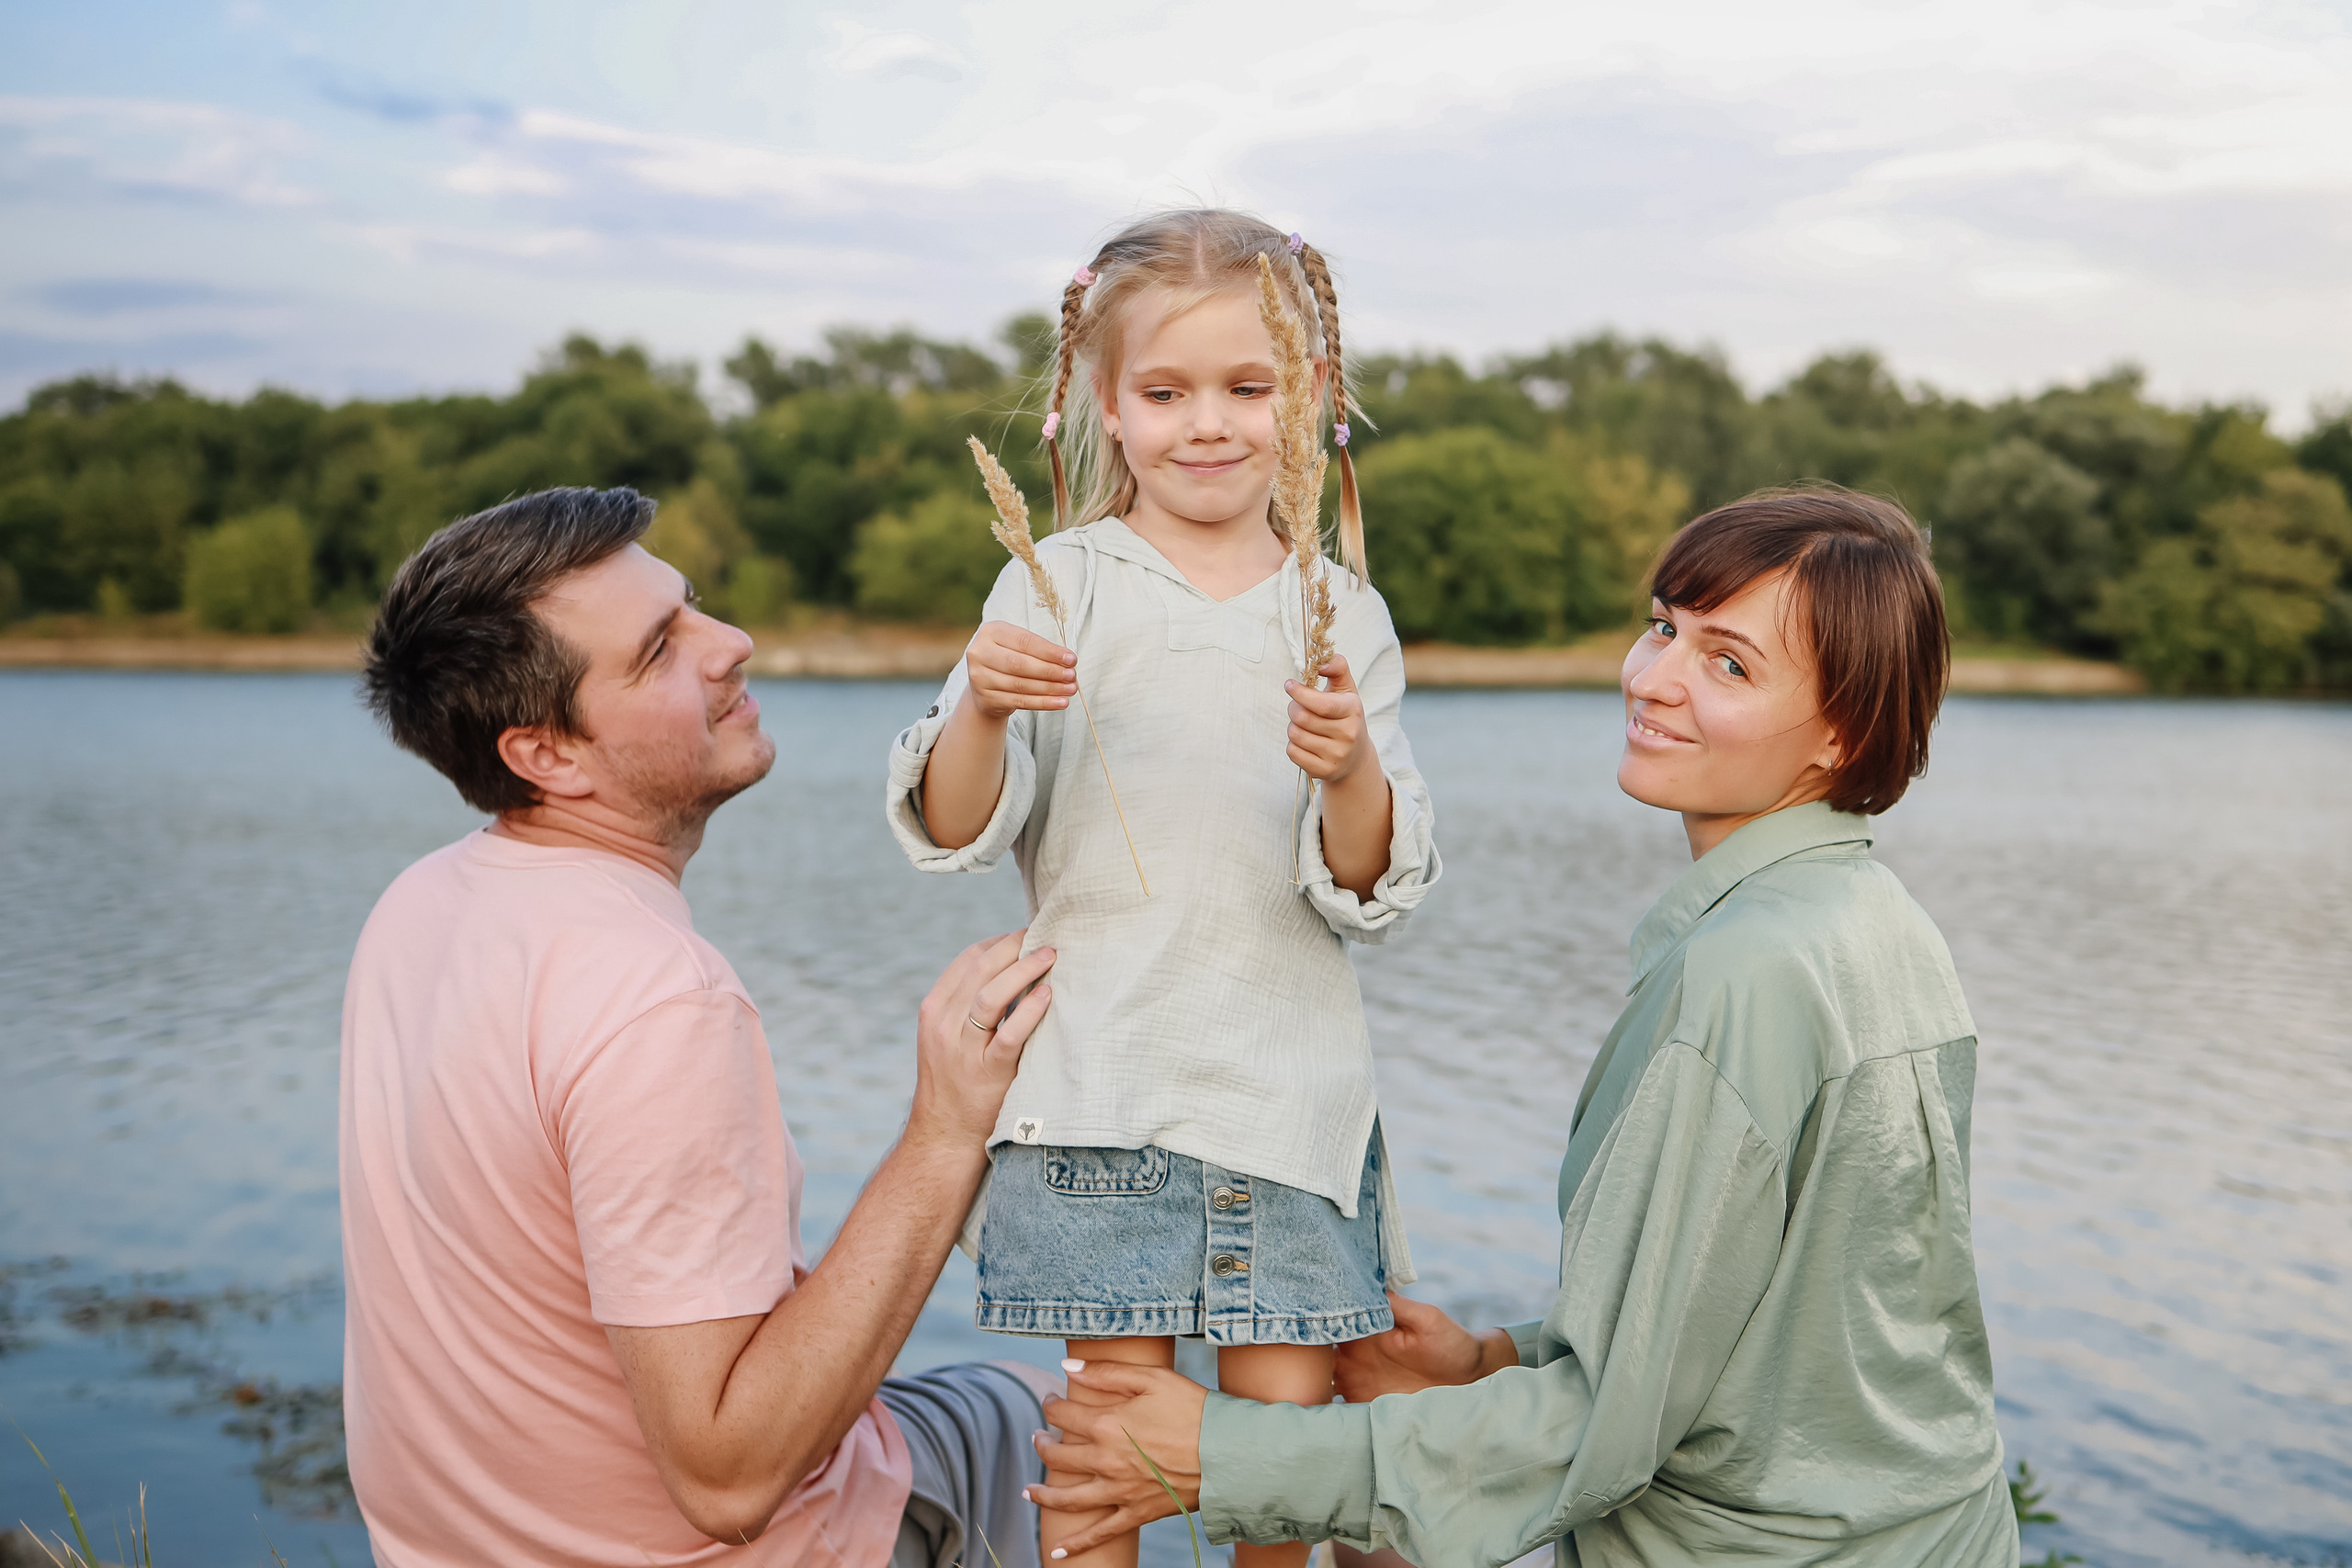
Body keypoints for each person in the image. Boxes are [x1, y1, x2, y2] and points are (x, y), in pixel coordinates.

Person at [1029, 487, 2022, 1568]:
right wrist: (1492, 1361)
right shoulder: (1881, 924)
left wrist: (1222, 1451)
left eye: (1728, 664)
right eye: (1663, 626)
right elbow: (1790, 1329)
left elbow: (1605, 1429)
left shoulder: (1746, 975)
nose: (1654, 680)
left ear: (1844, 734)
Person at [343, 486, 1064, 1568]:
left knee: (1047, 1394)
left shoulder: (423, 902)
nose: (732, 643)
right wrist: (944, 1131)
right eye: (657, 651)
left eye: (693, 607)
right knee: (1165, 1429)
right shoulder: (656, 999)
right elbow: (728, 1480)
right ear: (547, 755)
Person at [885, 209, 1442, 1568]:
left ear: (1306, 400)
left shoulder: (1335, 610)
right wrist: (979, 706)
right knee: (1108, 1444)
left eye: (1249, 389)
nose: (1210, 423)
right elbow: (957, 825)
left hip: (1285, 1095)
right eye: (1167, 391)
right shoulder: (1053, 583)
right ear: (1105, 406)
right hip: (1100, 1081)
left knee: (1286, 1451)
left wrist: (1350, 766)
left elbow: (1373, 878)